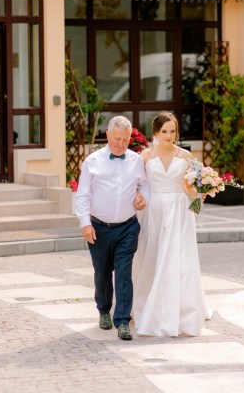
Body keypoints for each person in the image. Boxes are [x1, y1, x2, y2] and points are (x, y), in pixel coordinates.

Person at [133, 112, 211, 337]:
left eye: (173, 131)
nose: (169, 135)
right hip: (154, 211)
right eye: (164, 131)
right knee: (153, 257)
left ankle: (182, 311)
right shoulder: (145, 156)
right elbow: (138, 185)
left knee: (179, 259)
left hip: (179, 211)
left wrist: (202, 190)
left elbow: (191, 188)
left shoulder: (186, 156)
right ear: (156, 133)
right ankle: (148, 305)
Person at [75, 115, 149, 341]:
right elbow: (82, 195)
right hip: (99, 228)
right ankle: (104, 310)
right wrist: (85, 224)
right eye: (117, 138)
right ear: (108, 135)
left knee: (124, 273)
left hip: (127, 226)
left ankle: (123, 320)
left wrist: (142, 198)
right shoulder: (92, 161)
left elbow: (145, 187)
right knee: (102, 271)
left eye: (125, 139)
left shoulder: (136, 161)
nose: (120, 143)